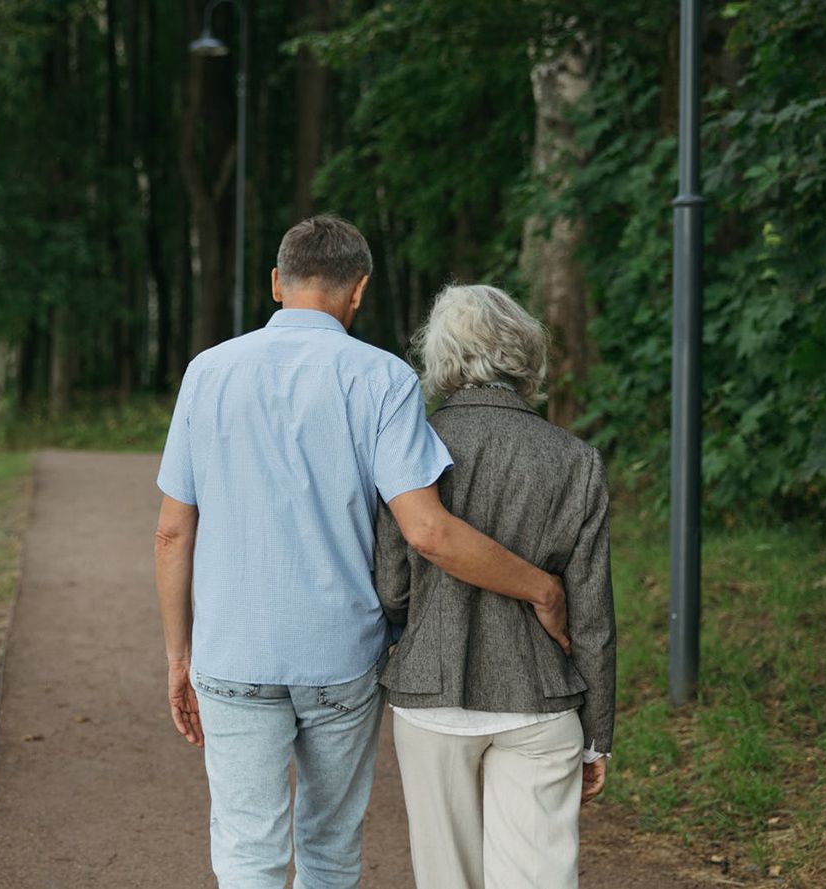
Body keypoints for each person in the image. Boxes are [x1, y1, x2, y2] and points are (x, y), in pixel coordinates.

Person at [154, 216, 572, 889]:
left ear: (275, 283)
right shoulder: (385, 380)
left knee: (247, 855)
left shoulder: (208, 373)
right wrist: (541, 587)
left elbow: (172, 531)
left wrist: (180, 654)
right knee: (327, 848)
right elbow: (427, 531)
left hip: (230, 652)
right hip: (338, 658)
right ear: (358, 292)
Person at [377, 284, 615, 889]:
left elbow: (392, 589)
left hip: (431, 697)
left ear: (443, 357)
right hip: (540, 702)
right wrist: (598, 738)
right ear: (525, 356)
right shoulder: (576, 459)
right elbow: (590, 614)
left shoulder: (412, 445)